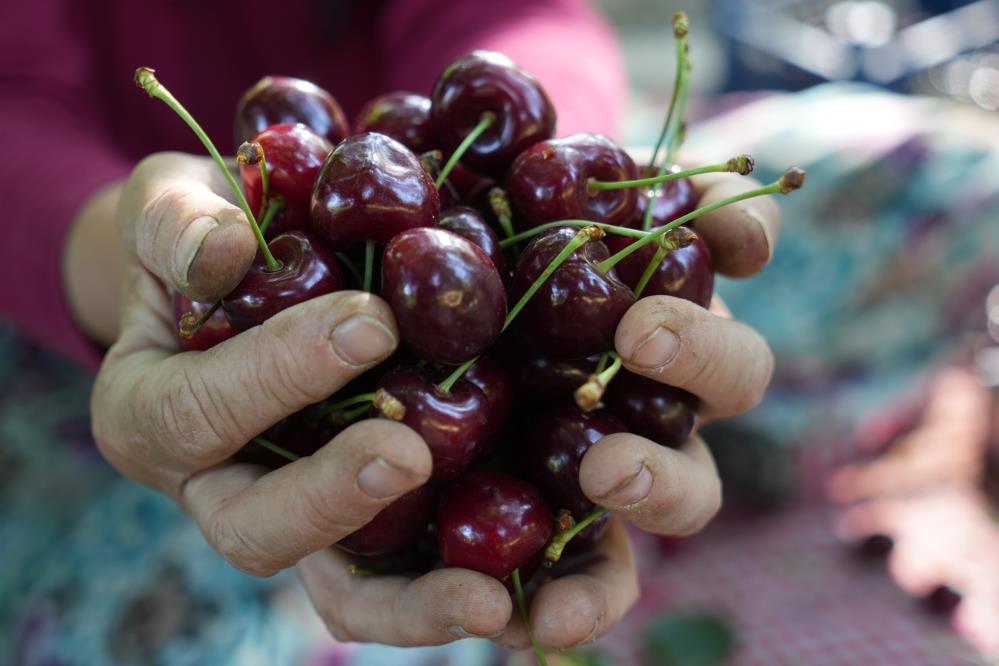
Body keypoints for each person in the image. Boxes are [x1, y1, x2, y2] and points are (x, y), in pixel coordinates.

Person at [1, 0, 779, 656]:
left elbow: (504, 17)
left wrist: (545, 177)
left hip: (452, 195)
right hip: (99, 295)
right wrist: (138, 270)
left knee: (891, 175)